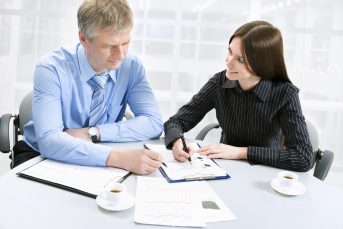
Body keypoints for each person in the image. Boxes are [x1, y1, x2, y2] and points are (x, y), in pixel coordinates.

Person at [13, 0, 164, 175]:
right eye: (109, 46)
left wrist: (94, 132)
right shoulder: (51, 68)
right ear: (84, 39)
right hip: (40, 155)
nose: (120, 55)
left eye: (125, 43)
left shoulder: (131, 66)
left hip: (101, 149)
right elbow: (49, 141)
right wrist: (118, 158)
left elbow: (153, 122)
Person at [164, 20, 313, 172]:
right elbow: (176, 121)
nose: (229, 63)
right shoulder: (219, 82)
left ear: (262, 64)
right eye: (229, 51)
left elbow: (303, 158)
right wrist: (177, 142)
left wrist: (241, 152)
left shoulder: (285, 94)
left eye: (240, 59)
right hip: (222, 168)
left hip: (264, 171)